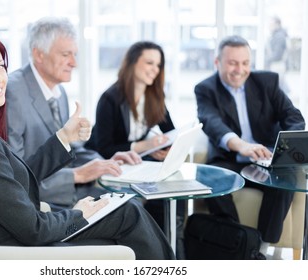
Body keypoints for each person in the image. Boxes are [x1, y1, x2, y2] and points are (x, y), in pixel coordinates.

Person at [0, 31, 175, 260]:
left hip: (8, 238)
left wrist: (63, 138)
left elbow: (14, 180)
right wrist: (79, 213)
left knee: (124, 214)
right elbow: (33, 229)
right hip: (10, 253)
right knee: (127, 213)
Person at [6, 17, 142, 210]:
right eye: (65, 54)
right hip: (39, 202)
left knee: (133, 200)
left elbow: (69, 148)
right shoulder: (13, 93)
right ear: (38, 54)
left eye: (75, 54)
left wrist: (104, 162)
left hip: (68, 192)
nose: (74, 63)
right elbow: (16, 174)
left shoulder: (58, 91)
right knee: (131, 209)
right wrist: (78, 174)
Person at [194, 35, 305, 252]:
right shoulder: (205, 89)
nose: (240, 70)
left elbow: (293, 116)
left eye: (245, 63)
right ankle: (239, 243)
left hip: (266, 160)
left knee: (287, 180)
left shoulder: (267, 82)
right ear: (217, 62)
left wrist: (285, 150)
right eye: (233, 63)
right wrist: (242, 145)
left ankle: (261, 248)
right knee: (208, 177)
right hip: (230, 160)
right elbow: (212, 123)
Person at [86, 41, 175, 161]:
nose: (156, 70)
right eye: (150, 63)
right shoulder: (109, 99)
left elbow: (170, 132)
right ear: (132, 63)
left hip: (133, 159)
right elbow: (104, 149)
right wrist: (145, 146)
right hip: (102, 161)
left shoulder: (155, 96)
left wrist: (166, 149)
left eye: (158, 65)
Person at [264, 16, 289, 93]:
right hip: (276, 65)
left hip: (277, 65)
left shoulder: (280, 36)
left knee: (278, 89)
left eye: (271, 24)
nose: (269, 26)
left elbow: (277, 55)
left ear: (277, 24)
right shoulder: (276, 35)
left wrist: (266, 60)